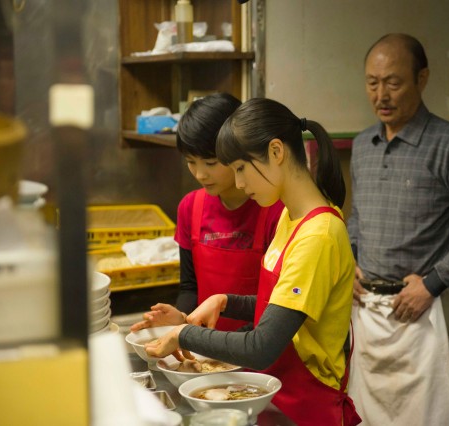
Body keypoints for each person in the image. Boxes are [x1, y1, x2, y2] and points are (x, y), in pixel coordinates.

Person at [144, 98, 362, 426]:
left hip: (306, 408)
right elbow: (279, 307)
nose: (241, 183)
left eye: (242, 168)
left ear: (276, 152)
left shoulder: (318, 235)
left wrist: (182, 333)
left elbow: (262, 345)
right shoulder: (293, 217)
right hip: (275, 399)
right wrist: (224, 301)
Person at [346, 33, 449, 425]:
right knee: (364, 416)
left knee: (431, 417)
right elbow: (357, 219)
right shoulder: (363, 145)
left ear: (422, 79)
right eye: (372, 82)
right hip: (367, 311)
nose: (381, 94)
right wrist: (347, 260)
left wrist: (433, 282)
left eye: (393, 82)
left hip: (428, 307)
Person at [131, 93, 284, 333]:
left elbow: (279, 304)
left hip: (259, 347)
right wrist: (183, 320)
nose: (200, 174)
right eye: (191, 162)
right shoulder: (190, 208)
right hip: (208, 347)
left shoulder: (275, 212)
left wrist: (230, 347)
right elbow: (189, 287)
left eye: (210, 163)